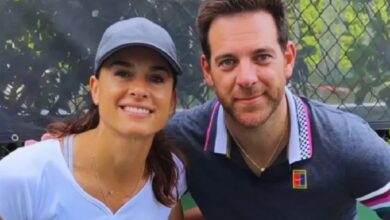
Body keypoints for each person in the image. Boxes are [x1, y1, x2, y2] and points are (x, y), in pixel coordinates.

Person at [165, 0, 390, 219]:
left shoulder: (346, 143)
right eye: (228, 62)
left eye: (262, 57)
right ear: (207, 70)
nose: (247, 78)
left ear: (288, 59)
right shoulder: (180, 141)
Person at [0, 17, 186, 220]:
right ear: (95, 89)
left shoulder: (167, 183)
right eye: (123, 73)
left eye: (156, 78)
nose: (139, 90)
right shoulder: (23, 176)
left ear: (171, 101)